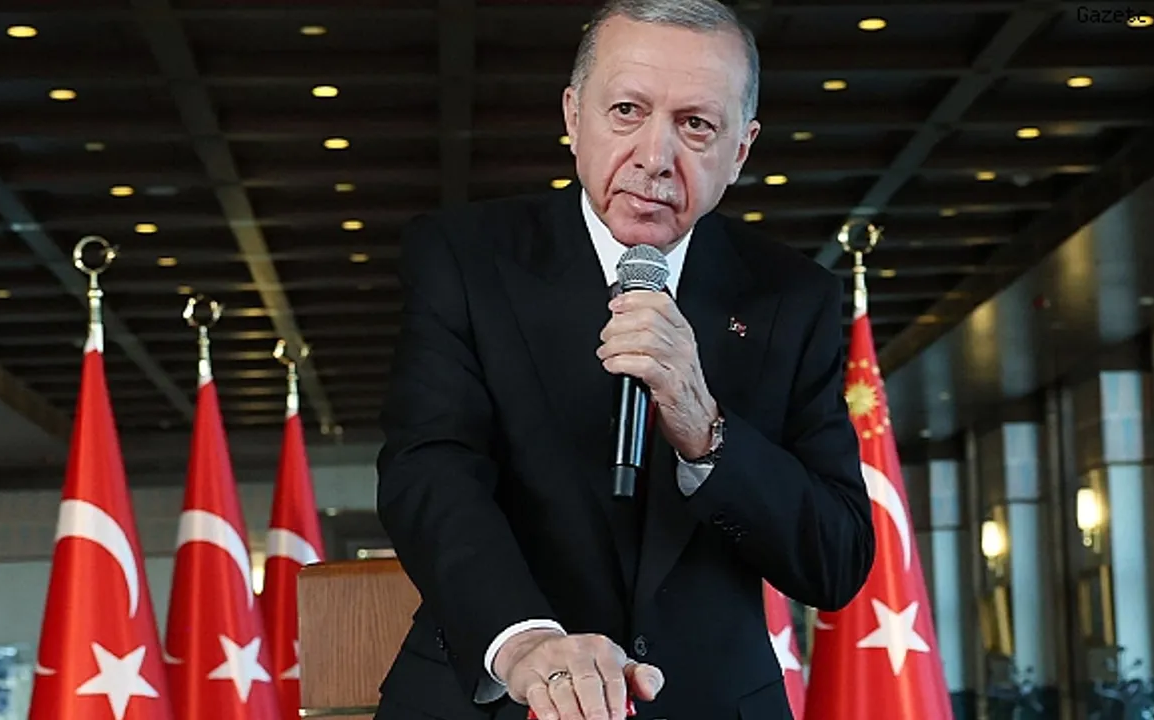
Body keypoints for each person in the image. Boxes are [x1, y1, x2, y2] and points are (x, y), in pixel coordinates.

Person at [373, 1, 875, 718]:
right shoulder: (463, 256)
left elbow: (836, 560)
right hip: (500, 694)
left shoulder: (793, 298)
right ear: (574, 116)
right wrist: (525, 642)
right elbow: (430, 470)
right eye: (627, 111)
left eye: (696, 124)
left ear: (740, 150)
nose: (654, 157)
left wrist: (704, 430)